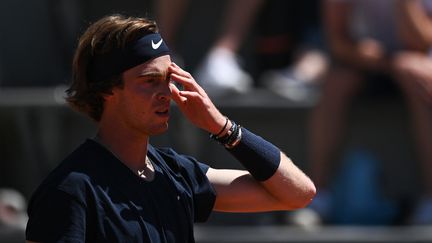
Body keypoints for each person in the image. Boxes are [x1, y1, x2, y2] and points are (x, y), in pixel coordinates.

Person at [25, 14, 315, 242]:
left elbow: (298, 193)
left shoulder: (176, 174)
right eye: (150, 81)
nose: (167, 92)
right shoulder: (71, 190)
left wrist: (221, 125)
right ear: (107, 90)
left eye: (169, 78)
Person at [306, 0, 432, 225]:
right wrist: (374, 57)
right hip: (363, 60)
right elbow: (337, 41)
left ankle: (430, 198)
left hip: (414, 63)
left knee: (417, 75)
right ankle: (317, 197)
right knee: (335, 83)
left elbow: (421, 41)